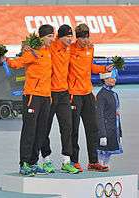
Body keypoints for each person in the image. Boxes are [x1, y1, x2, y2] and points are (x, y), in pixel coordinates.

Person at [5, 24, 54, 176]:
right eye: (49, 37)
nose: (52, 39)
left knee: (41, 132)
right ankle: (24, 163)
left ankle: (33, 162)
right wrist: (5, 59)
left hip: (46, 97)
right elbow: (16, 63)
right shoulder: (32, 53)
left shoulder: (48, 51)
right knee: (29, 131)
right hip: (32, 96)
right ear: (41, 38)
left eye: (53, 36)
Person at [69, 23, 113, 172]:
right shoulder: (70, 49)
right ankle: (73, 161)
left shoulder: (90, 48)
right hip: (74, 94)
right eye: (82, 38)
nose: (85, 41)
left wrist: (103, 69)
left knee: (92, 128)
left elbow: (90, 66)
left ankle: (93, 162)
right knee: (73, 129)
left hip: (88, 93)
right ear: (77, 38)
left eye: (87, 38)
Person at [39, 24, 79, 174]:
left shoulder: (69, 49)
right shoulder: (50, 46)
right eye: (67, 36)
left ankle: (66, 161)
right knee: (45, 128)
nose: (70, 39)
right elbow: (35, 44)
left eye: (71, 36)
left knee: (67, 126)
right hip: (49, 94)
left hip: (64, 94)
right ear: (59, 37)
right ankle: (46, 160)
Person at [97, 69, 123, 166]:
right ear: (104, 79)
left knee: (109, 152)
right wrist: (102, 134)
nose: (114, 80)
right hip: (105, 129)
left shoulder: (114, 94)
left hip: (113, 129)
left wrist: (119, 132)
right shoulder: (101, 95)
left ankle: (105, 165)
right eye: (111, 78)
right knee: (102, 151)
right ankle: (100, 165)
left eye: (114, 78)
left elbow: (117, 114)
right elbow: (99, 115)